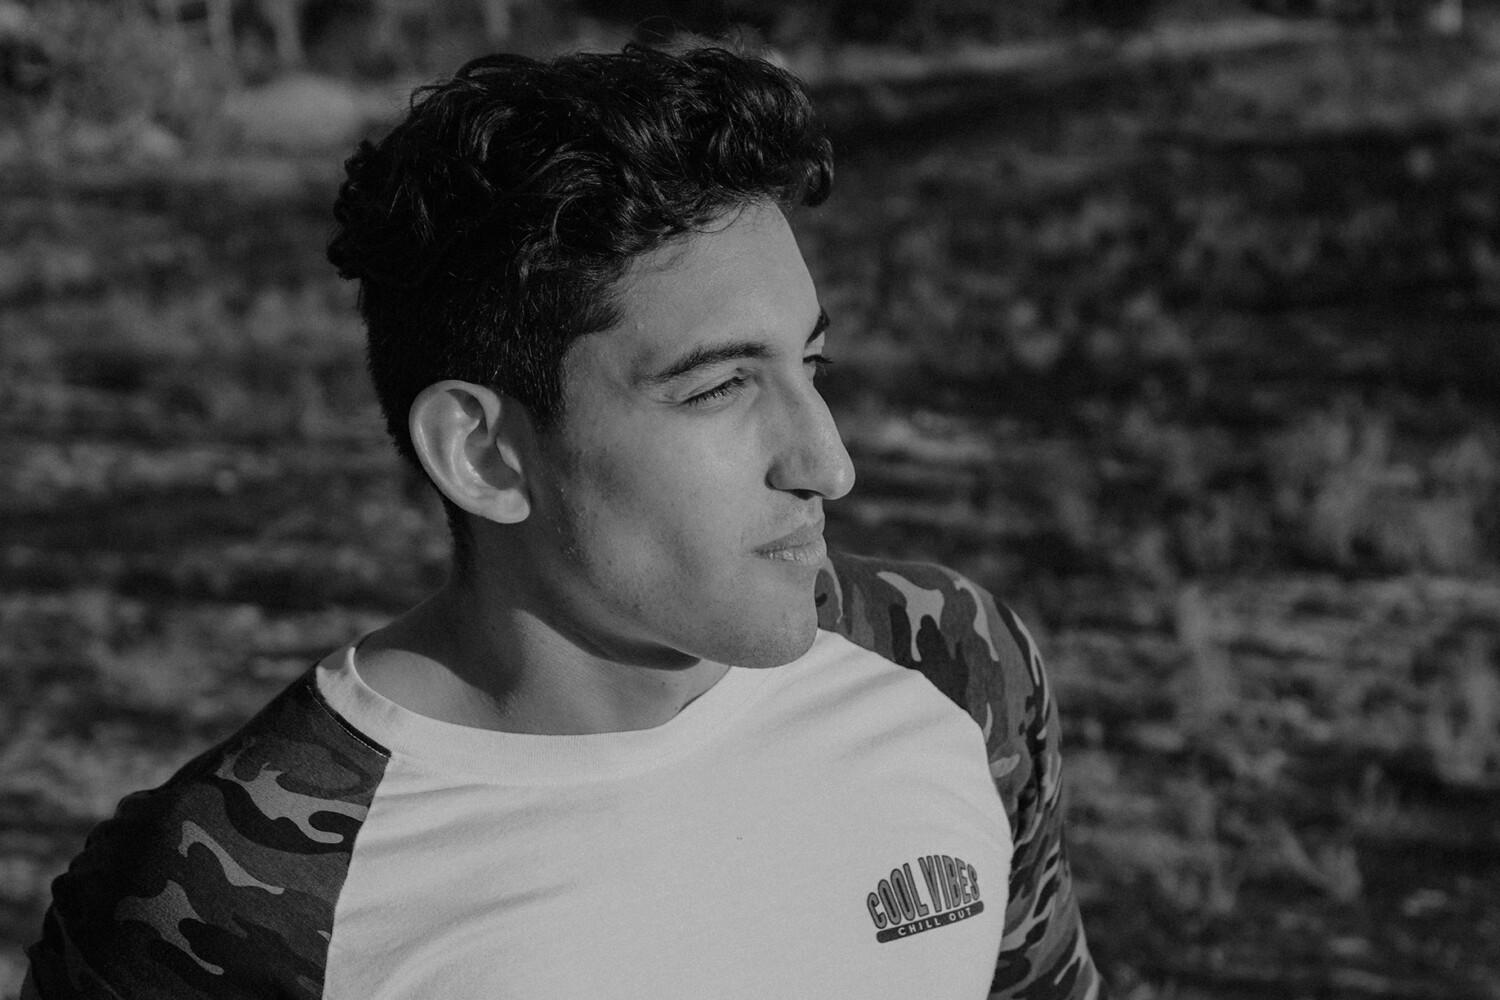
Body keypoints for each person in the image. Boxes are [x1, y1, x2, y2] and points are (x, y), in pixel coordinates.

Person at [24, 44, 1104, 999]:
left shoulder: (953, 664)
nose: (829, 462)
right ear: (484, 454)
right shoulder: (216, 901)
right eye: (719, 387)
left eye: (809, 365)